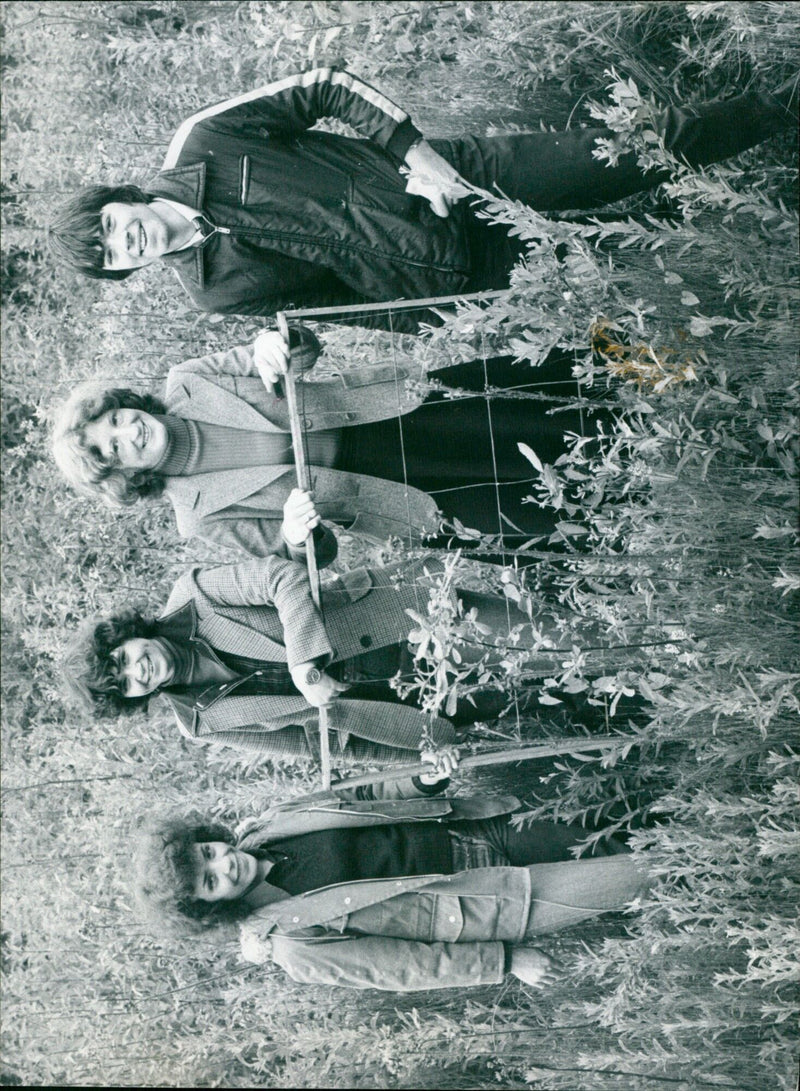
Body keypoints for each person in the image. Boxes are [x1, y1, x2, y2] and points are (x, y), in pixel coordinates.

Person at [48, 67, 798, 330]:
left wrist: (422, 159)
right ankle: (769, 237)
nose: (126, 242)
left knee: (630, 156)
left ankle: (773, 107)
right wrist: (449, 315)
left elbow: (325, 85)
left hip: (464, 181)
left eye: (111, 227)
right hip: (462, 276)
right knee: (642, 266)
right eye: (112, 255)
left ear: (119, 199)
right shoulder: (211, 294)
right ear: (122, 272)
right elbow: (335, 305)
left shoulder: (201, 144)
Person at [52, 324, 613, 559]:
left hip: (394, 412)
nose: (129, 433)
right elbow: (310, 557)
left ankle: (644, 380)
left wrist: (278, 342)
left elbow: (303, 349)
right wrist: (297, 538)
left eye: (118, 420)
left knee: (537, 408)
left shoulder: (188, 379)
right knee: (523, 512)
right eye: (115, 449)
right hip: (395, 496)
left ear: (126, 404)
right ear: (124, 477)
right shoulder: (199, 518)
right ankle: (651, 502)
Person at [131, 753, 650, 991]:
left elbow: (361, 799)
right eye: (210, 881)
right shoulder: (291, 944)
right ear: (212, 908)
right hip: (492, 905)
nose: (224, 862)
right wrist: (503, 961)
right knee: (643, 871)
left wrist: (422, 782)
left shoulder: (271, 824)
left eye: (208, 852)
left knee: (626, 819)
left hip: (473, 829)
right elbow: (399, 969)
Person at [62, 550, 611, 764]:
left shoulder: (197, 594)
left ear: (126, 635)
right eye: (128, 683)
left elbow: (282, 576)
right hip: (405, 706)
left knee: (550, 641)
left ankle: (662, 636)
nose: (138, 670)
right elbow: (317, 747)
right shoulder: (199, 722)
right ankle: (667, 673)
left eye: (125, 658)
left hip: (397, 621)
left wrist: (304, 665)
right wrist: (419, 753)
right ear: (136, 698)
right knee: (552, 689)